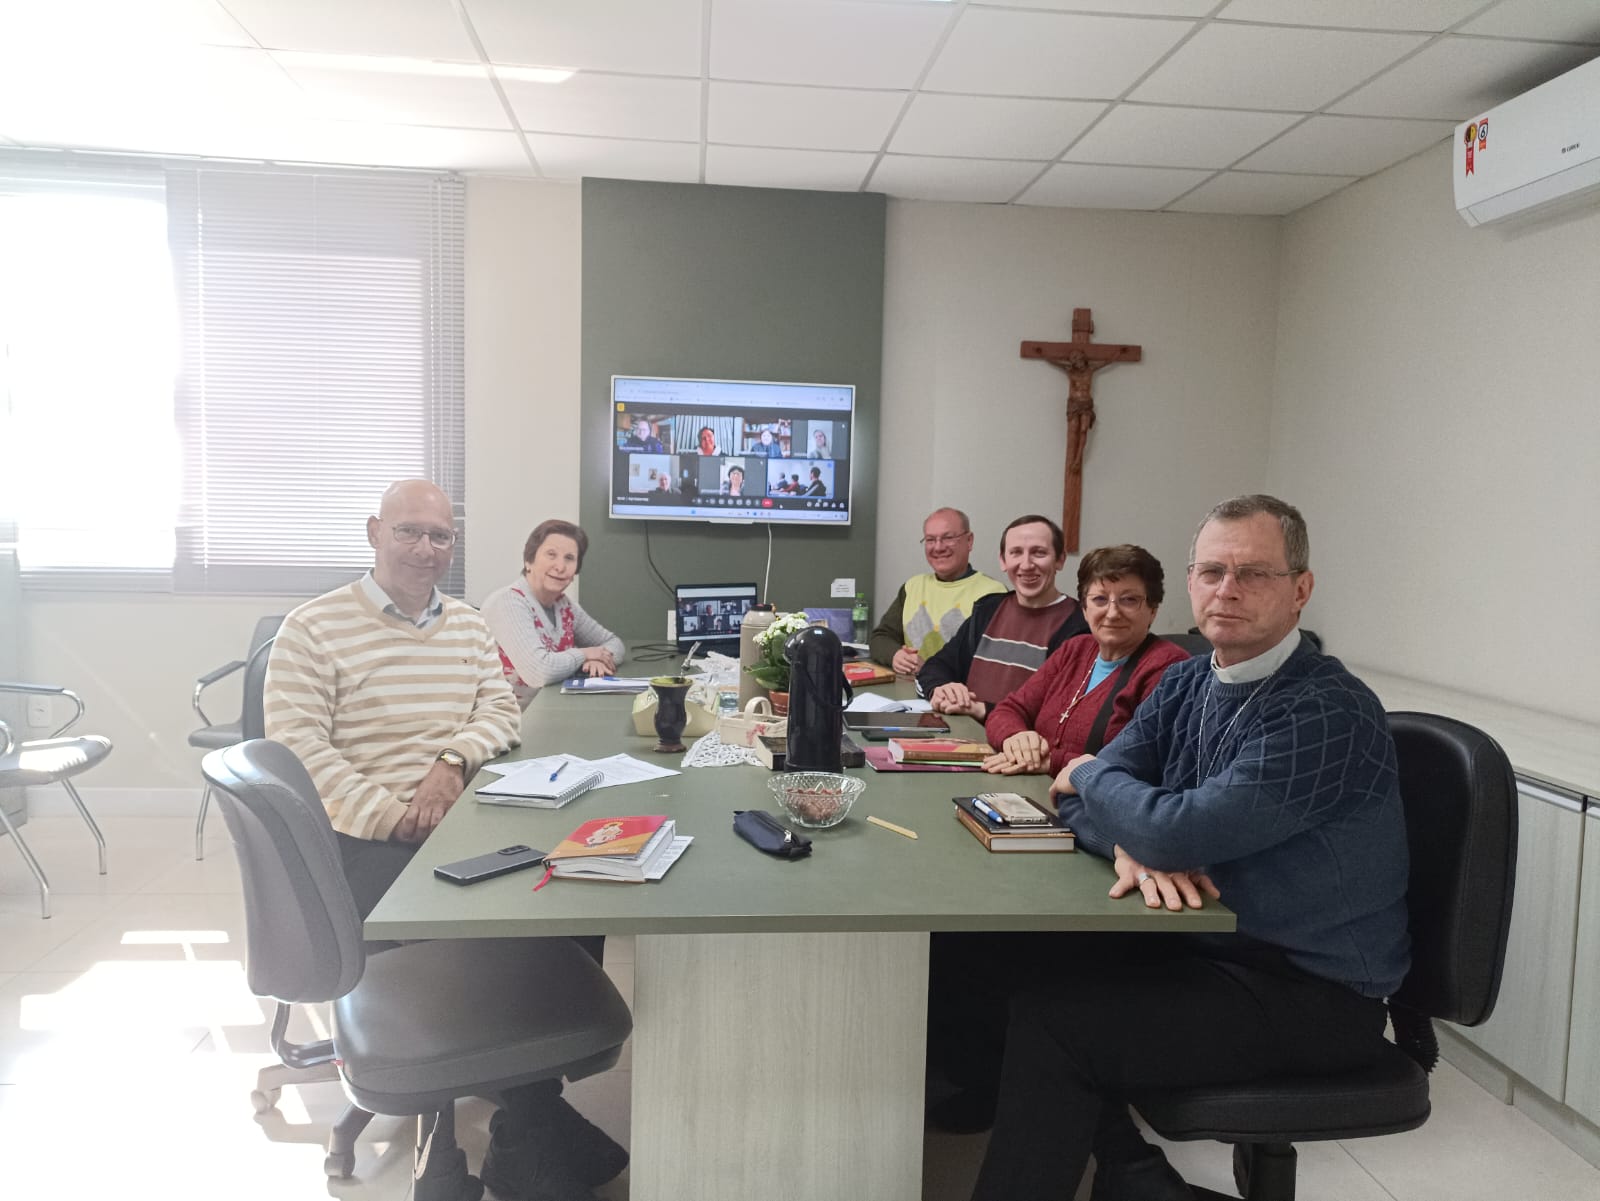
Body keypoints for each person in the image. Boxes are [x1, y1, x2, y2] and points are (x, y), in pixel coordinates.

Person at [967, 495, 1409, 1201]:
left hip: (1307, 989)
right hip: (1202, 941)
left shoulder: (1327, 708)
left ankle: (1131, 1173)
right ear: (1192, 579)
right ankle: (1135, 1172)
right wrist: (1128, 845)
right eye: (1211, 571)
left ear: (1301, 588)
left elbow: (1157, 817)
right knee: (987, 950)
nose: (1226, 589)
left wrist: (1116, 800)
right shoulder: (1187, 679)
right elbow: (1080, 794)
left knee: (1057, 1025)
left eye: (1253, 573)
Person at [265, 481, 627, 1200]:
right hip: (368, 844)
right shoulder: (313, 627)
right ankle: (523, 1127)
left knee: (577, 892)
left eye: (440, 536)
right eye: (409, 532)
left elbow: (499, 708)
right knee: (508, 929)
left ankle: (527, 1114)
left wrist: (451, 761)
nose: (426, 549)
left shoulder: (464, 625)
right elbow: (298, 748)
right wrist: (392, 811)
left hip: (459, 817)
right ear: (374, 531)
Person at [983, 544, 1189, 777]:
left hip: (1093, 806)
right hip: (1035, 790)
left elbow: (1143, 764)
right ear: (1084, 608)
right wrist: (1015, 737)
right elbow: (1010, 709)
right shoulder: (1075, 649)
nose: (1112, 613)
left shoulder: (1169, 668)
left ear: (1153, 609)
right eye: (1100, 599)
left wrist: (1052, 761)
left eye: (1129, 600)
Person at [917, 514, 1089, 722]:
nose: (1026, 565)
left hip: (1020, 749)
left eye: (1039, 553)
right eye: (1016, 553)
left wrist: (982, 709)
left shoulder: (1079, 625)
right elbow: (936, 665)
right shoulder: (988, 609)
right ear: (1003, 560)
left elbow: (1057, 714)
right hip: (965, 738)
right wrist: (942, 688)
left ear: (1060, 560)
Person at [482, 520, 627, 709]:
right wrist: (585, 654)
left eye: (569, 558)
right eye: (551, 555)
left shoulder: (564, 605)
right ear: (529, 560)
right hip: (510, 722)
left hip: (553, 711)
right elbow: (539, 672)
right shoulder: (507, 602)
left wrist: (594, 659)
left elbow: (615, 644)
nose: (560, 566)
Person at [869, 507, 1006, 675]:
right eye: (930, 540)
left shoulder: (993, 594)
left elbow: (993, 665)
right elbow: (880, 637)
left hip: (958, 697)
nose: (938, 547)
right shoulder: (912, 587)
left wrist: (930, 671)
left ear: (969, 541)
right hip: (910, 694)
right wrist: (896, 655)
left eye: (948, 538)